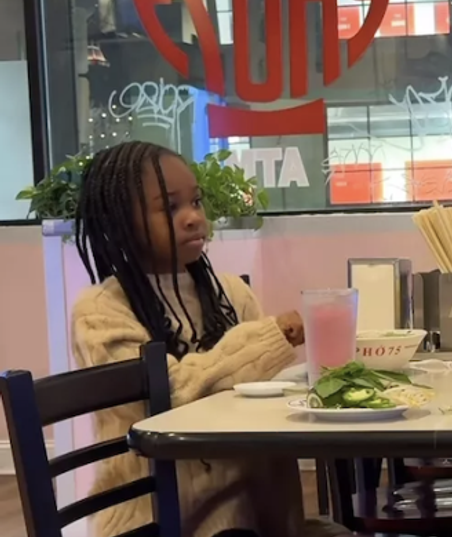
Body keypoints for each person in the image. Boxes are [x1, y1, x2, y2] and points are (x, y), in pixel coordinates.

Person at [71, 141, 353, 537]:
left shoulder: (231, 293)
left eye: (197, 202)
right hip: (160, 518)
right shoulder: (102, 311)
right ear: (118, 223)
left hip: (251, 512)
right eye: (170, 207)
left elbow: (266, 396)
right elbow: (172, 394)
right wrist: (272, 337)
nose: (192, 217)